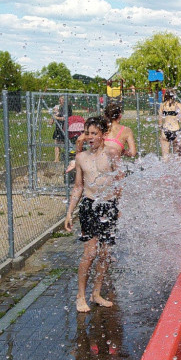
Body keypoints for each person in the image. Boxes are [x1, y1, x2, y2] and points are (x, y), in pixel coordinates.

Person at [65, 116, 121, 312]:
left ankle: (96, 293)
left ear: (104, 135)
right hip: (89, 206)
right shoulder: (81, 158)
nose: (89, 137)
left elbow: (119, 182)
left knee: (105, 254)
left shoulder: (112, 153)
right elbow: (78, 187)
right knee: (90, 253)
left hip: (109, 206)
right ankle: (80, 296)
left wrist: (119, 207)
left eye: (94, 134)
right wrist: (69, 212)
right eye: (87, 133)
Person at [158, 88, 181, 158]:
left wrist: (161, 131)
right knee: (177, 157)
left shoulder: (162, 105)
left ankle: (165, 168)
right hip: (176, 130)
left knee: (165, 157)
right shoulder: (178, 105)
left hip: (165, 130)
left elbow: (160, 121)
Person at [52, 96, 71, 162]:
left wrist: (56, 117)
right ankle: (56, 159)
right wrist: (54, 114)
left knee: (66, 144)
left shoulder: (67, 108)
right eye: (59, 100)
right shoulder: (59, 108)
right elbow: (51, 122)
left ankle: (67, 158)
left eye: (62, 100)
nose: (60, 101)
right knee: (56, 143)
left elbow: (65, 118)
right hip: (58, 127)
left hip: (64, 127)